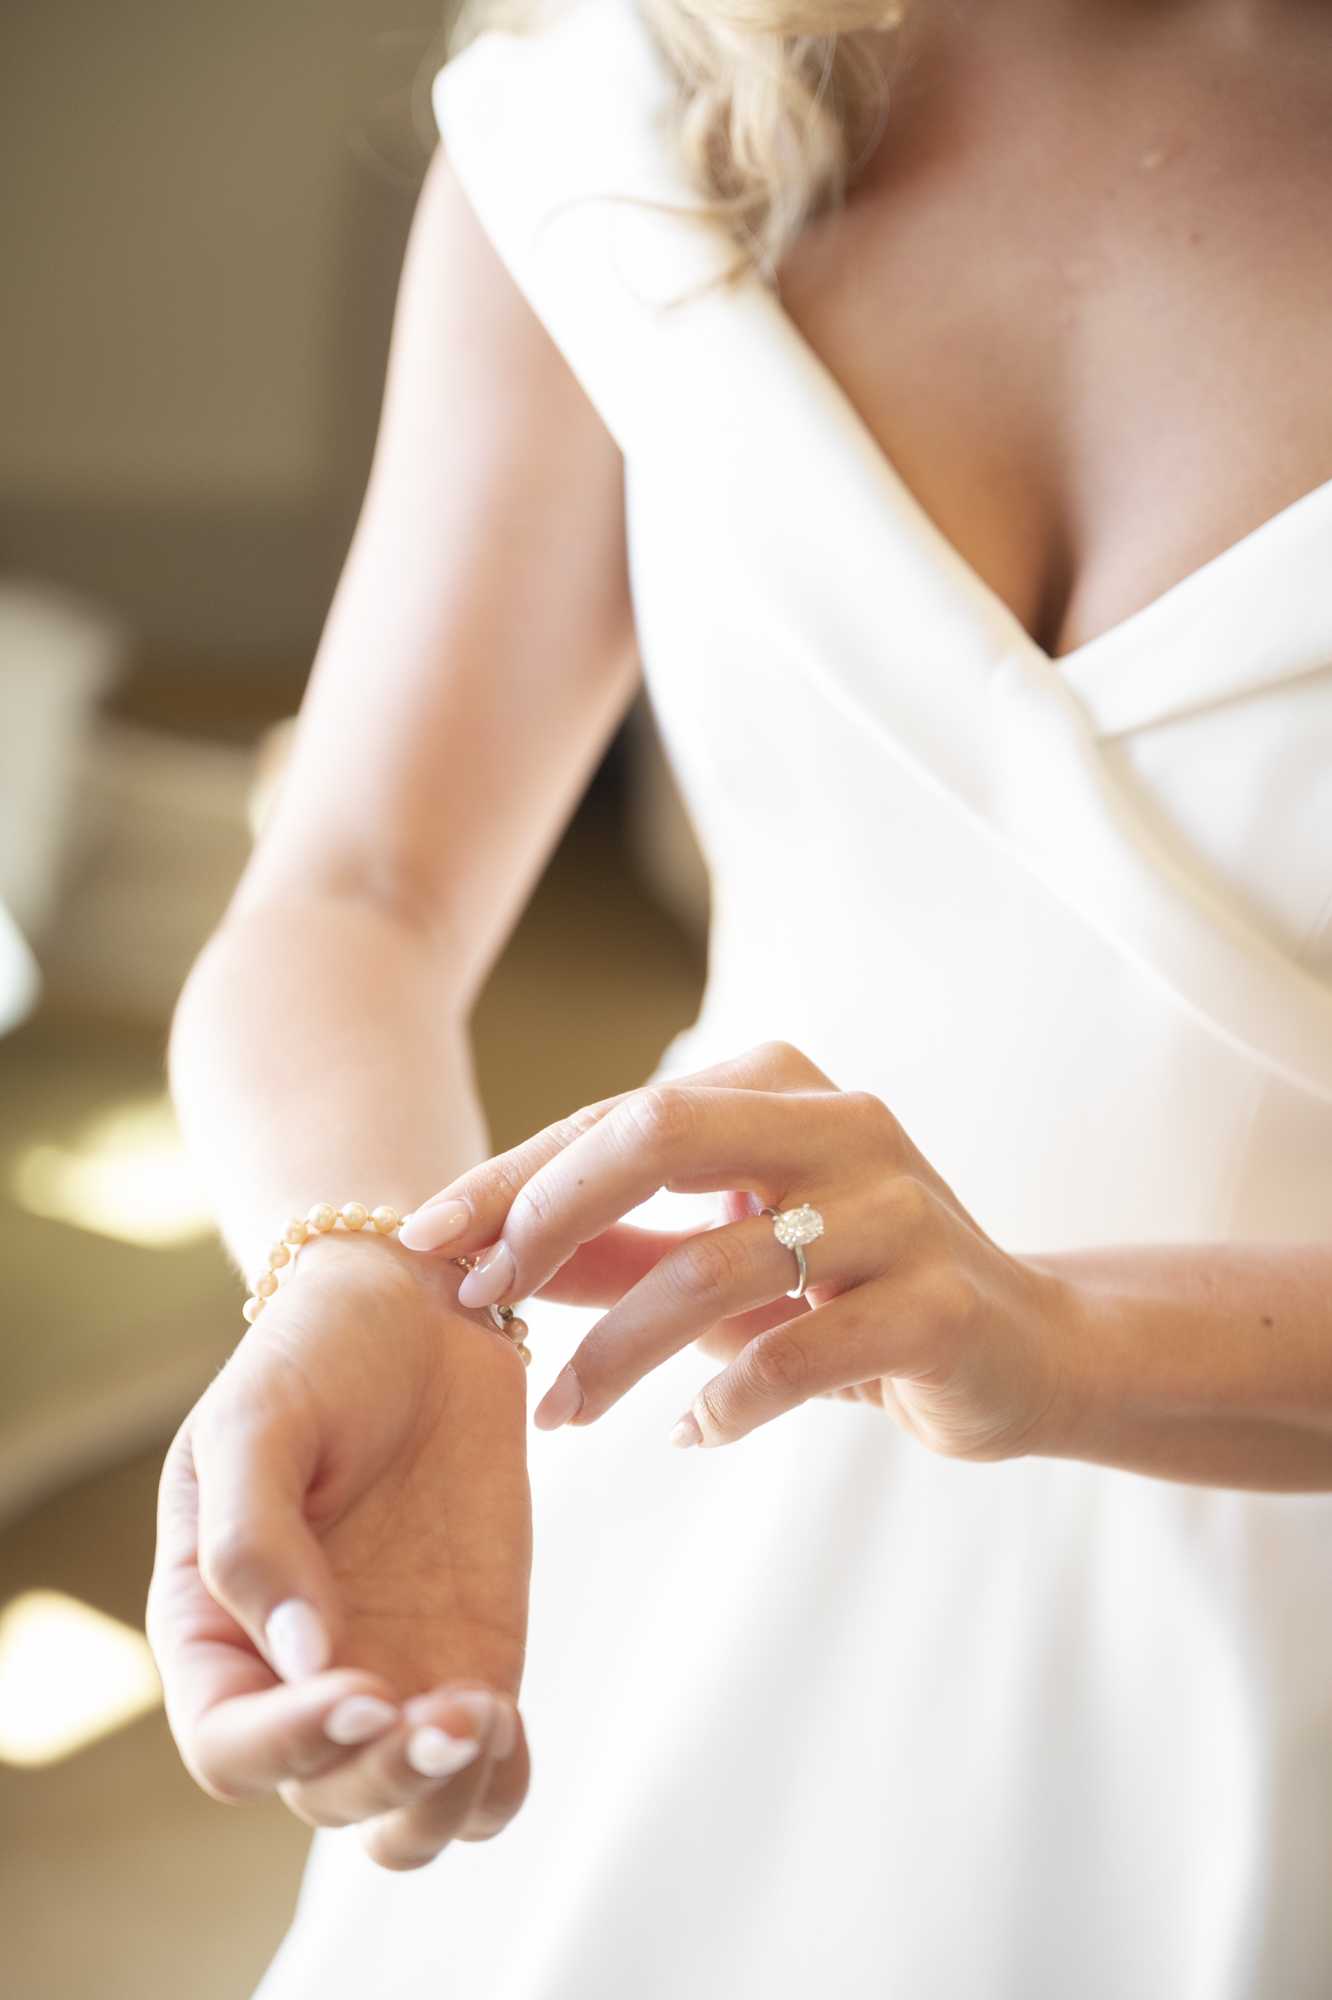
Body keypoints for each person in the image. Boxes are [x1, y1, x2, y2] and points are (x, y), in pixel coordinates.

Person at [149, 0, 1332, 1991]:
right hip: (696, 1467)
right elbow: (359, 880)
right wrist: (366, 1265)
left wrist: (1064, 1342)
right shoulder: (629, 104)